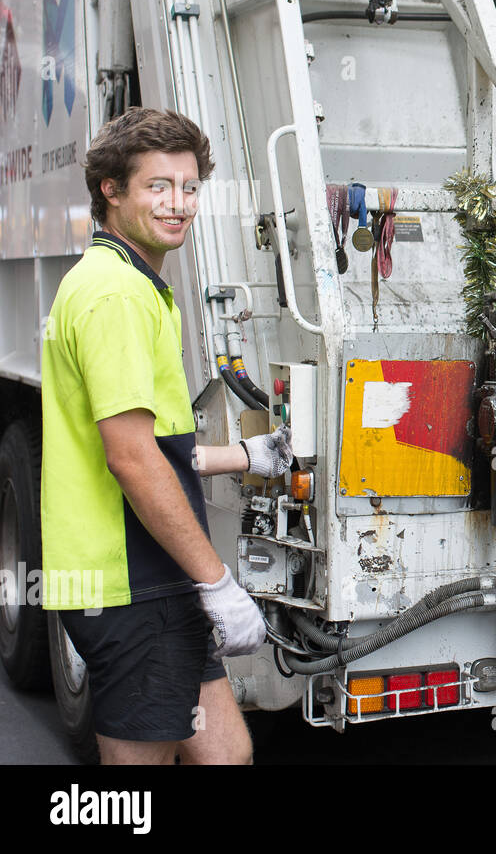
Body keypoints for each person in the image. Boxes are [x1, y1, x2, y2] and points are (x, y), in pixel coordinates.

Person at [40, 107, 292, 764]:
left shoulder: (134, 283)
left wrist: (238, 455)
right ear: (111, 190)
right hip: (130, 579)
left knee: (225, 752)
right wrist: (216, 581)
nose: (178, 204)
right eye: (158, 186)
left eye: (188, 187)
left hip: (152, 574)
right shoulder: (116, 293)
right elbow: (129, 457)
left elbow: (147, 443)